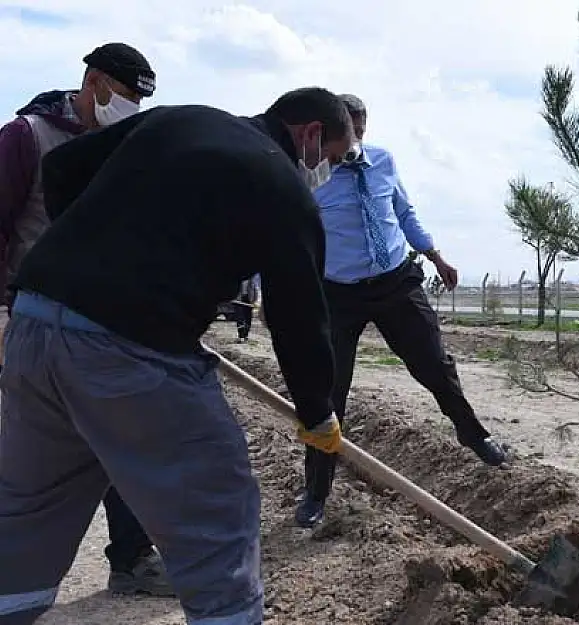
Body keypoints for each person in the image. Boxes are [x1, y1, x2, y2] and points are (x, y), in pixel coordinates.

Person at [0, 86, 353, 625]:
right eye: (330, 158)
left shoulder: (177, 120)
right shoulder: (283, 187)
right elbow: (299, 316)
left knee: (29, 509)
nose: (326, 171)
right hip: (126, 352)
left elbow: (65, 166)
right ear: (309, 135)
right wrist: (317, 411)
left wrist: (94, 255)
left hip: (34, 322)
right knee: (219, 505)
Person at [0, 42, 172, 597]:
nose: (128, 109)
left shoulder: (123, 145)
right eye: (121, 95)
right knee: (26, 450)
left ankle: (131, 558)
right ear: (94, 81)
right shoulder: (26, 137)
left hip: (101, 321)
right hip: (29, 320)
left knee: (122, 437)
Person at [293, 92, 508, 528]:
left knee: (434, 364)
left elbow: (403, 211)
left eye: (360, 131)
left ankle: (474, 434)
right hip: (338, 292)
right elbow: (290, 231)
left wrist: (435, 256)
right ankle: (316, 491)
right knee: (327, 394)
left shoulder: (383, 160)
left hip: (395, 281)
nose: (352, 142)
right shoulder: (305, 175)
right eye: (346, 132)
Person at [233, 274, 261, 341]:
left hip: (249, 300)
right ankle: (240, 335)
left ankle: (246, 335)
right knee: (240, 318)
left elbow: (255, 289)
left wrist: (255, 301)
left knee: (248, 318)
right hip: (239, 300)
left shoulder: (252, 280)